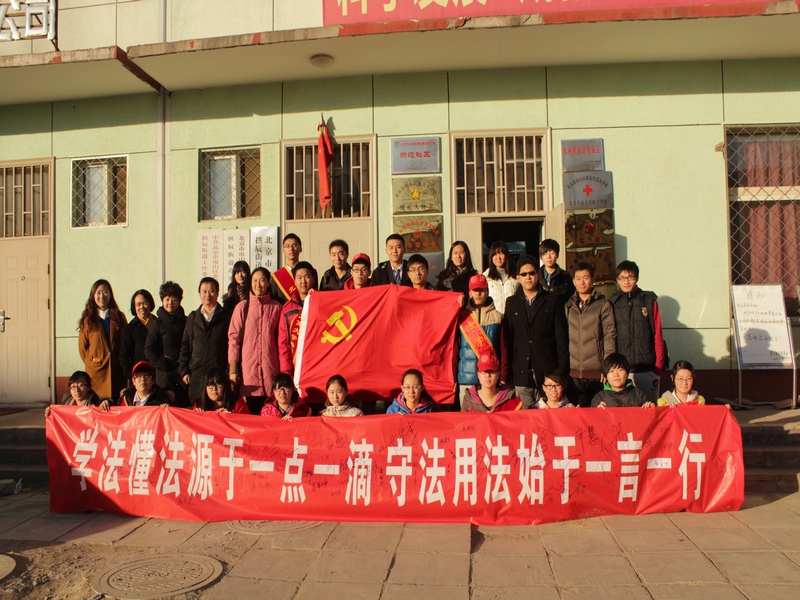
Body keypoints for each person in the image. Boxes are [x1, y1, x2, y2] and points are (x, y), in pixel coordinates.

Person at [504, 255, 569, 408]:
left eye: (532, 273)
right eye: (524, 274)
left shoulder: (551, 300)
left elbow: (561, 338)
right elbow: (508, 340)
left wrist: (561, 371)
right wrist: (508, 374)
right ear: (518, 277)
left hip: (547, 374)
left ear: (538, 275)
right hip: (521, 373)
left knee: (548, 418)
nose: (528, 277)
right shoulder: (512, 303)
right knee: (524, 418)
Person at [608, 260, 666, 403]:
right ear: (617, 280)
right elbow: (608, 337)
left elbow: (657, 335)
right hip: (621, 372)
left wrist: (657, 368)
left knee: (649, 411)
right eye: (622, 278)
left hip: (647, 369)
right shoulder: (611, 303)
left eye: (630, 277)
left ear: (637, 278)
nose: (626, 282)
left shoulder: (648, 301)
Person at [227, 267, 282, 415]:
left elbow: (282, 341)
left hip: (271, 372)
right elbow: (233, 339)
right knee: (251, 417)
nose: (258, 285)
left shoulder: (277, 308)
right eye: (255, 281)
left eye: (262, 280)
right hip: (249, 374)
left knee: (272, 417)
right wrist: (233, 369)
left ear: (268, 283)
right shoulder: (242, 307)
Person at [565, 261, 617, 407]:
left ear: (593, 279)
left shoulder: (603, 305)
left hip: (597, 374)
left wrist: (608, 368)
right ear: (573, 281)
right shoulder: (569, 306)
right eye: (578, 278)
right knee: (577, 415)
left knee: (597, 413)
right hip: (574, 374)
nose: (582, 282)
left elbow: (609, 336)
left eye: (586, 278)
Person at [456, 274, 509, 406]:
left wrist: (503, 376)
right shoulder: (461, 317)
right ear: (469, 293)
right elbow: (454, 349)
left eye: (482, 290)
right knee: (468, 417)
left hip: (491, 379)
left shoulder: (499, 317)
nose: (478, 294)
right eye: (475, 290)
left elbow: (504, 349)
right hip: (466, 379)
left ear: (487, 291)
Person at [179, 277, 231, 405]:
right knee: (196, 410)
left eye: (211, 291)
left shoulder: (226, 317)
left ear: (217, 293)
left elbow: (231, 346)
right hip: (197, 376)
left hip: (217, 378)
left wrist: (228, 371)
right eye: (204, 291)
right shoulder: (192, 318)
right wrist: (183, 371)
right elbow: (185, 346)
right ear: (199, 294)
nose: (208, 294)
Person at [78, 279, 127, 400]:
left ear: (110, 295)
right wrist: (94, 361)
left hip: (116, 370)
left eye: (105, 292)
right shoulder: (88, 320)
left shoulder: (119, 317)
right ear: (93, 296)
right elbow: (83, 349)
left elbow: (125, 342)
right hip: (96, 373)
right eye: (98, 293)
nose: (102, 296)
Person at [145, 281, 188, 407]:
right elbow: (149, 349)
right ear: (162, 301)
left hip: (183, 373)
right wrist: (162, 364)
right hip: (164, 376)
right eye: (167, 299)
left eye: (174, 299)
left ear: (179, 301)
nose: (170, 302)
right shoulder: (157, 324)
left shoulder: (186, 321)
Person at [278, 262, 317, 377]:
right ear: (294, 281)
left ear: (313, 279)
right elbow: (284, 344)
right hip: (297, 367)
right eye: (299, 278)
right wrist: (287, 372)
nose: (303, 281)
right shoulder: (287, 309)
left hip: (317, 364)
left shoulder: (321, 303)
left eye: (307, 277)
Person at [119, 289, 156, 383]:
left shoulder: (159, 323)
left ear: (150, 303)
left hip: (158, 376)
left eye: (144, 303)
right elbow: (124, 356)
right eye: (138, 304)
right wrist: (131, 375)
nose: (142, 307)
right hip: (139, 378)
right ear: (134, 307)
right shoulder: (129, 329)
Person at [45, 371, 109, 416]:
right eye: (73, 386)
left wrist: (104, 403)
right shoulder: (65, 404)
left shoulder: (96, 403)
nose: (77, 390)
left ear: (89, 387)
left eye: (81, 385)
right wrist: (50, 413)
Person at [483, 241, 519, 314]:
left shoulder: (515, 275)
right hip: (493, 317)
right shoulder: (486, 276)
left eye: (501, 253)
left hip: (512, 316)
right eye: (495, 254)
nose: (498, 257)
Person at [538, 239, 575, 306]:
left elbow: (571, 298)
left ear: (557, 255)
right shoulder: (536, 276)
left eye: (552, 253)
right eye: (545, 253)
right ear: (541, 257)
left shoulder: (565, 277)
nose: (548, 257)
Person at [270, 233, 303, 304]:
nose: (291, 249)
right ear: (283, 250)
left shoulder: (310, 272)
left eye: (294, 245)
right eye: (287, 246)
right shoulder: (276, 277)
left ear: (300, 249)